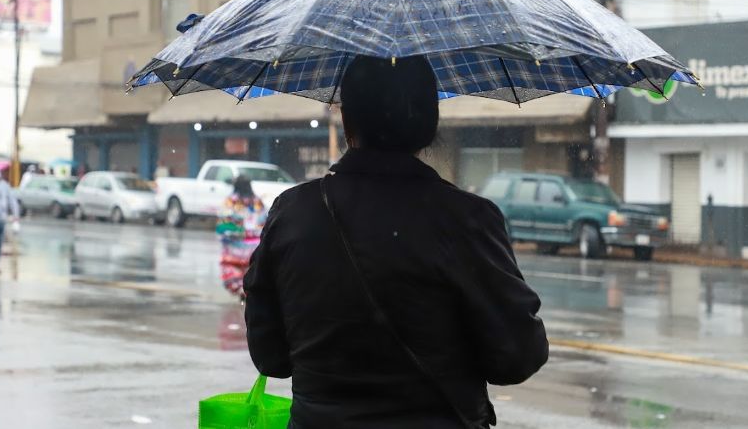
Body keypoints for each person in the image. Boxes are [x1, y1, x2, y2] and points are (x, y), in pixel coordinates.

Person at [244, 55, 548, 428]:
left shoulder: (293, 211)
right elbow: (516, 357)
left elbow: (271, 357)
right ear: (429, 122)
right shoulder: (466, 218)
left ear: (347, 119)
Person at [218, 175, 265, 299]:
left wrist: (231, 231)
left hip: (235, 244)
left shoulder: (231, 201)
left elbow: (224, 223)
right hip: (254, 244)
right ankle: (248, 291)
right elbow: (264, 220)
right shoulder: (257, 201)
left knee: (233, 270)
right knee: (250, 271)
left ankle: (240, 290)